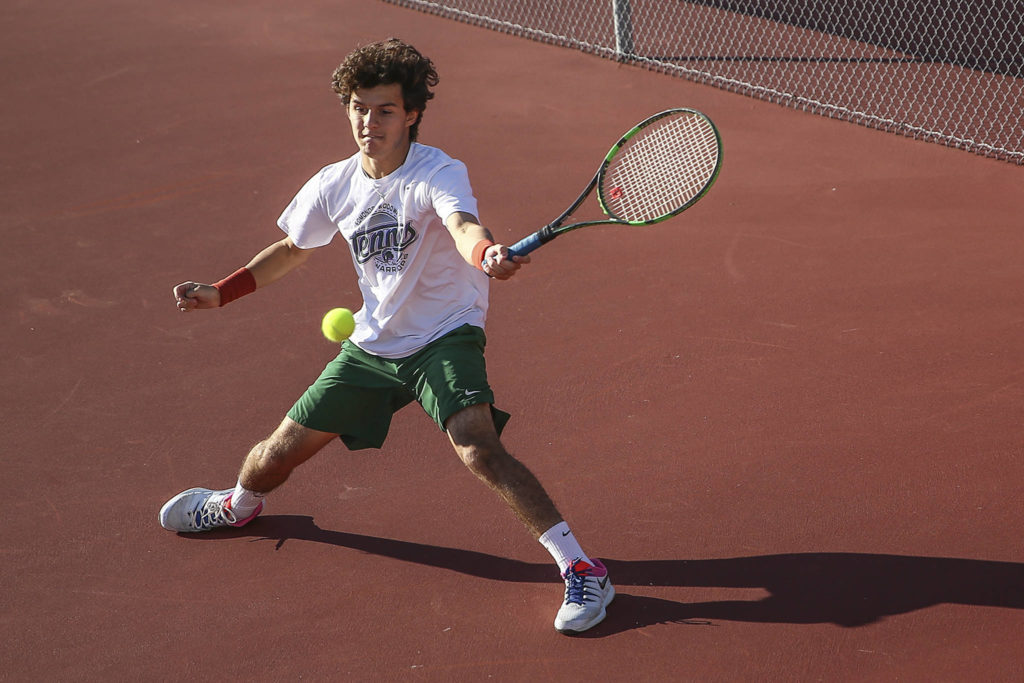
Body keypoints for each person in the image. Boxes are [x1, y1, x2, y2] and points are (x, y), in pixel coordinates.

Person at [158, 38, 613, 635]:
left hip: (445, 333)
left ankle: (583, 568)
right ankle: (236, 507)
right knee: (276, 452)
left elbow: (460, 223)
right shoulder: (334, 183)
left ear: (413, 114)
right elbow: (294, 248)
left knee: (475, 443)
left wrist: (484, 254)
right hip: (375, 344)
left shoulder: (438, 171)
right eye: (359, 108)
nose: (368, 123)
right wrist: (223, 291)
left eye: (385, 111)